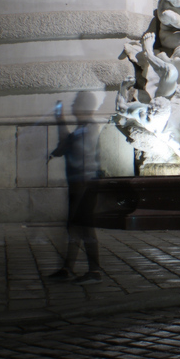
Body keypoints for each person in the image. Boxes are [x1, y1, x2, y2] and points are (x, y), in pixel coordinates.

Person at [47, 101, 103, 283]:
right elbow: (66, 144)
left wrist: (60, 120)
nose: (73, 106)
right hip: (78, 183)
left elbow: (69, 146)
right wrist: (60, 120)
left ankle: (94, 272)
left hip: (85, 184)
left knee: (84, 228)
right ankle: (68, 268)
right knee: (74, 227)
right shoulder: (82, 128)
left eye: (77, 102)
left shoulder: (89, 129)